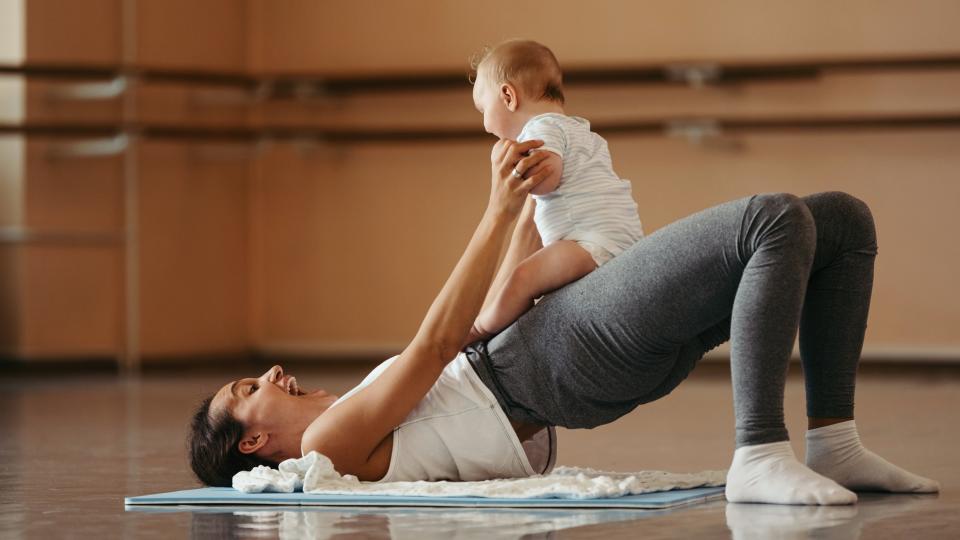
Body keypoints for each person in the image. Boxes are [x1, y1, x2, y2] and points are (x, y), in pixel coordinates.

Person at [188, 92, 941, 510]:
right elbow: (437, 346)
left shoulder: (353, 418)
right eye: (248, 391)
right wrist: (493, 208)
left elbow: (482, 321)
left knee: (839, 219)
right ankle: (759, 451)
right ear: (252, 444)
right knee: (770, 218)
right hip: (559, 357)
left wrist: (527, 203)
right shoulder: (325, 451)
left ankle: (833, 441)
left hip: (559, 357)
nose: (272, 372)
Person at [465, 39, 645, 344]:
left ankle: (480, 330)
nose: (485, 125)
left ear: (508, 96)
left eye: (483, 109)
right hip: (617, 240)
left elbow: (546, 177)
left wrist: (508, 174)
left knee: (522, 278)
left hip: (590, 243)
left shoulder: (540, 130)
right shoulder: (577, 129)